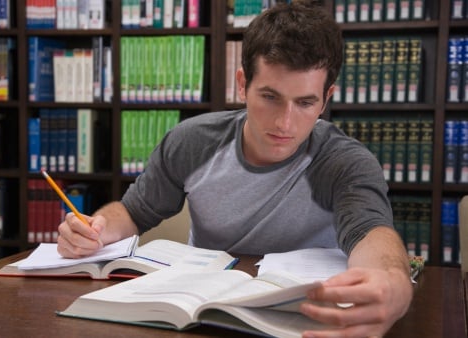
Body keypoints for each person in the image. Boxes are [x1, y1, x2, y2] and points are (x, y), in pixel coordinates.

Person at [57, 1, 413, 337]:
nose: (284, 122)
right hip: (202, 314)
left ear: (326, 98)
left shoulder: (344, 161)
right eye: (270, 97)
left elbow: (371, 232)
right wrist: (97, 230)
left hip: (305, 320)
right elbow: (133, 212)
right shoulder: (193, 142)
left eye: (305, 103)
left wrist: (393, 280)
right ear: (242, 84)